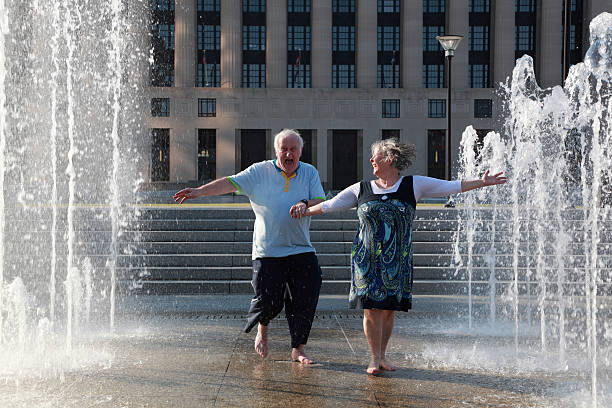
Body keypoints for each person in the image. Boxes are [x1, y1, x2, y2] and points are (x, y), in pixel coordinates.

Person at [292, 138, 506, 374]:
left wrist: (482, 183)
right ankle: (374, 358)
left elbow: (451, 186)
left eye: (376, 156)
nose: (371, 160)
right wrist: (305, 210)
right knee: (371, 308)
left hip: (398, 261)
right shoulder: (361, 189)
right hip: (367, 260)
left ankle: (383, 356)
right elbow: (330, 205)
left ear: (390, 159)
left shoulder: (413, 185)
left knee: (388, 310)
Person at [174, 129, 326, 364]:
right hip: (268, 251)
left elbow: (320, 200)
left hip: (300, 249)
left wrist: (305, 203)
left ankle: (298, 348)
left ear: (300, 151)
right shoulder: (259, 171)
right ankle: (262, 331)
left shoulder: (309, 172)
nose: (288, 153)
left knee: (306, 296)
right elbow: (229, 182)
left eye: (293, 149)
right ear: (276, 151)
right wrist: (199, 192)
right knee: (268, 300)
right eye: (283, 149)